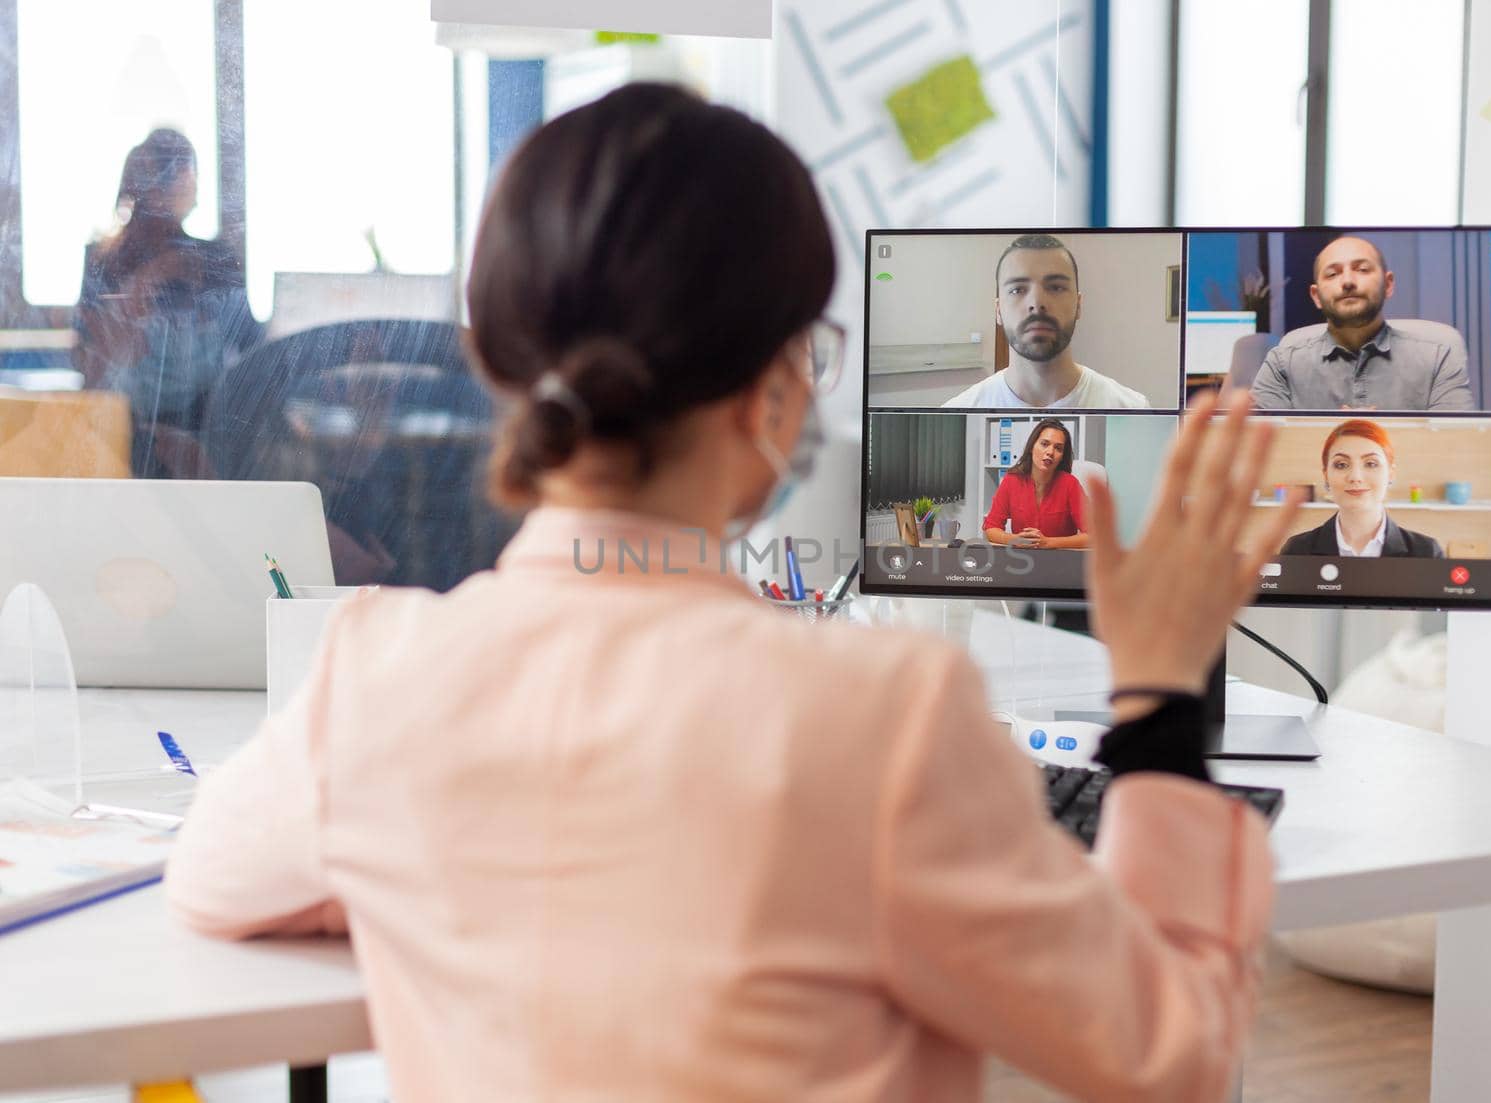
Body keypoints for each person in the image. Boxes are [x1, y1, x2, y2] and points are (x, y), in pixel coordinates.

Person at [166, 84, 1303, 1102]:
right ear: (772, 394)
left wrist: (437, 865)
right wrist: (1155, 693)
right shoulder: (886, 715)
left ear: (510, 378)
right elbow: (1172, 1054)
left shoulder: (374, 678)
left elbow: (214, 878)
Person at [72, 128, 260, 476]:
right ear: (184, 181)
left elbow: (252, 351)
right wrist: (144, 285)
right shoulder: (105, 262)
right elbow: (90, 367)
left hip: (201, 438)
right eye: (189, 173)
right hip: (129, 440)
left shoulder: (209, 260)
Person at [1249, 234, 1474, 412]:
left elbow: (1457, 446)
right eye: (1333, 274)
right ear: (1316, 296)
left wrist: (1375, 436)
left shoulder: (1438, 356)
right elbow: (1263, 450)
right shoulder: (1283, 362)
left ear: (1388, 284)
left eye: (1362, 269)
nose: (1347, 281)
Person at [943, 234, 1151, 409]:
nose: (1037, 303)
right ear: (998, 310)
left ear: (1078, 304)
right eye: (1017, 290)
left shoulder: (1132, 407)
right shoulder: (958, 410)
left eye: (1055, 287)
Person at [1280, 419, 1443, 557]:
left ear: (1391, 473)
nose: (1355, 477)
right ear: (1326, 475)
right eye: (1341, 465)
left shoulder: (1426, 552)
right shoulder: (1297, 550)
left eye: (1371, 464)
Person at [983, 417, 1090, 548]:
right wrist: (1014, 540)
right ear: (1032, 447)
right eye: (1044, 444)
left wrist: (1048, 542)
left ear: (1062, 456)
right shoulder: (1012, 480)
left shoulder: (1070, 484)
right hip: (1021, 560)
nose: (1050, 452)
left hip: (1061, 561)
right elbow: (991, 528)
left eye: (1058, 448)